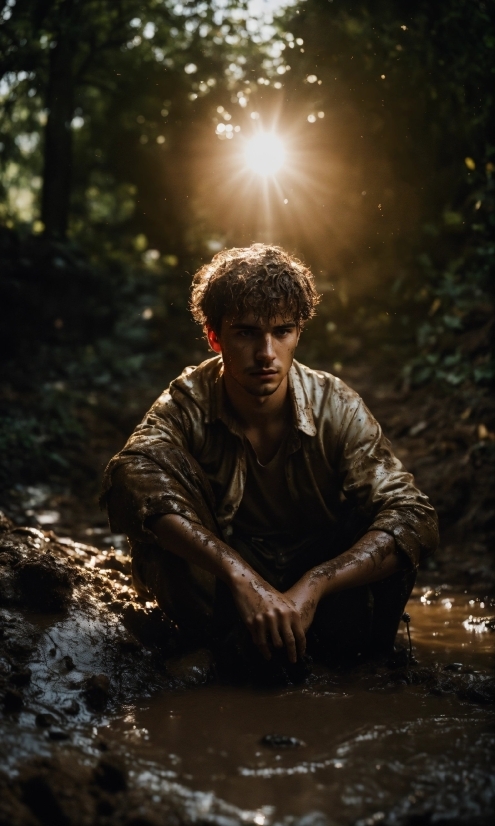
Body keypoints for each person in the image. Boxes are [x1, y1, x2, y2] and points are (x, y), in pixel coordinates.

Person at [102, 244, 438, 676]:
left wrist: (314, 586)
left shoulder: (336, 406)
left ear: (298, 333)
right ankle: (211, 651)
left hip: (326, 599)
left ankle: (353, 663)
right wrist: (240, 578)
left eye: (282, 331)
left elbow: (414, 515)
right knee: (145, 478)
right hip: (223, 597)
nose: (266, 353)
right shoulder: (186, 401)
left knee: (392, 523)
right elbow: (129, 477)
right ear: (214, 336)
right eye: (246, 333)